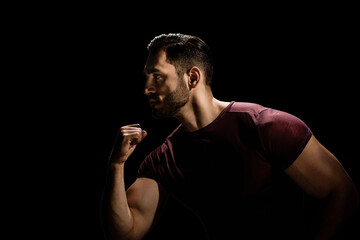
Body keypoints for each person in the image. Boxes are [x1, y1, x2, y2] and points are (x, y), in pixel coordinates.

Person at [101, 33, 359, 240]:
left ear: (192, 77)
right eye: (147, 77)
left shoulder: (266, 126)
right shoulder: (165, 159)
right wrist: (116, 165)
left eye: (157, 76)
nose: (147, 88)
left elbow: (341, 192)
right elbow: (126, 232)